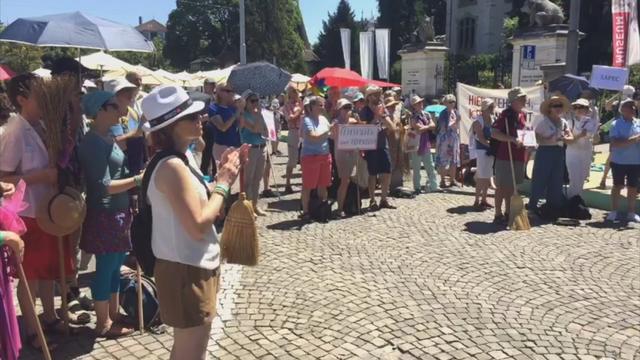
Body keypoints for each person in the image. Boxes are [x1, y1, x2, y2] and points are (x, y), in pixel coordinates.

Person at [141, 85, 244, 360]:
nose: (201, 119)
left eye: (199, 113)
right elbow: (198, 223)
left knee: (188, 348)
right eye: (192, 116)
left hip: (193, 263)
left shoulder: (184, 157)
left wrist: (220, 175)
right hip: (184, 268)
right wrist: (224, 184)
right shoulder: (171, 166)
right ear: (171, 126)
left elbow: (200, 199)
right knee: (191, 352)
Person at [0, 74, 73, 350]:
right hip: (27, 213)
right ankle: (32, 331)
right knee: (30, 274)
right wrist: (42, 176)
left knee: (46, 271)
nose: (45, 99)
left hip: (46, 209)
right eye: (38, 94)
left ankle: (50, 316)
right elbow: (4, 178)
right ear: (21, 99)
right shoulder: (14, 132)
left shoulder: (40, 126)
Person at [79, 91, 142, 337]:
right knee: (105, 267)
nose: (121, 110)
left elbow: (119, 171)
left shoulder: (107, 137)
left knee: (116, 265)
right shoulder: (93, 142)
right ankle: (102, 322)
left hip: (119, 210)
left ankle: (113, 314)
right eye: (115, 106)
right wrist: (137, 179)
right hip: (104, 212)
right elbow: (102, 184)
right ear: (101, 110)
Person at [529, 95, 573, 212]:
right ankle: (533, 206)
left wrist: (565, 138)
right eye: (555, 106)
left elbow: (570, 137)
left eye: (560, 106)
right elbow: (535, 138)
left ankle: (553, 207)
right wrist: (548, 139)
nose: (558, 108)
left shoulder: (563, 122)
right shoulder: (543, 121)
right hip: (545, 152)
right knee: (540, 179)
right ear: (550, 108)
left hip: (558, 152)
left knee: (556, 180)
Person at [491, 87, 528, 225]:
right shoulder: (505, 115)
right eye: (522, 99)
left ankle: (508, 211)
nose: (524, 101)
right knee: (501, 186)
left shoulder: (523, 115)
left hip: (518, 155)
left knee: (512, 186)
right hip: (505, 155)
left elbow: (523, 132)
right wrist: (511, 139)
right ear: (514, 101)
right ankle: (498, 213)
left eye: (524, 98)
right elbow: (494, 133)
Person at [359, 86, 396, 210]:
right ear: (369, 97)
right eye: (375, 94)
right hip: (370, 146)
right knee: (372, 173)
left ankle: (384, 199)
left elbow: (391, 127)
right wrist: (376, 116)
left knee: (387, 171)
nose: (378, 97)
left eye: (379, 94)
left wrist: (383, 116)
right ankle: (372, 200)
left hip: (382, 143)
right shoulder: (364, 111)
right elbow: (363, 129)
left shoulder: (382, 109)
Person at [606, 98, 640, 222]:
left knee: (633, 187)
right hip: (619, 161)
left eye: (633, 106)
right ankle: (614, 211)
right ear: (622, 110)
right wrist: (635, 139)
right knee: (617, 186)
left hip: (636, 161)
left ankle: (631, 212)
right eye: (629, 106)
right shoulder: (616, 124)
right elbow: (615, 143)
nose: (632, 109)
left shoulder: (638, 123)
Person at [299, 96, 333, 220]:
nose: (322, 107)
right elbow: (313, 136)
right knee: (308, 185)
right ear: (312, 107)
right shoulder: (306, 120)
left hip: (324, 155)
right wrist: (328, 130)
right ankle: (306, 211)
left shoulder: (324, 119)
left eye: (323, 105)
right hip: (310, 157)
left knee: (323, 184)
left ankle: (321, 208)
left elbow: (331, 134)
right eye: (320, 105)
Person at [239, 90, 268, 216]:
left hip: (261, 147)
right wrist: (259, 116)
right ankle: (249, 207)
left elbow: (265, 131)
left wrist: (261, 117)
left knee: (258, 179)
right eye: (253, 101)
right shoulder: (243, 116)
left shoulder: (259, 115)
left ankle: (255, 205)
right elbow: (256, 129)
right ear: (246, 103)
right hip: (251, 149)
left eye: (257, 101)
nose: (256, 103)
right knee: (248, 180)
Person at [565, 98, 598, 199]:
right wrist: (580, 135)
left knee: (582, 179)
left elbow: (595, 139)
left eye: (581, 107)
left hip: (586, 153)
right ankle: (571, 201)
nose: (578, 109)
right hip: (572, 153)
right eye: (576, 107)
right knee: (575, 179)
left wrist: (596, 133)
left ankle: (577, 202)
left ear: (587, 109)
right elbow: (567, 140)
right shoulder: (570, 122)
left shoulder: (591, 122)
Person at [331, 98, 359, 218]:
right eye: (345, 108)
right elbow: (334, 135)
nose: (347, 110)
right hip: (341, 153)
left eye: (349, 107)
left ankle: (350, 205)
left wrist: (358, 122)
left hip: (352, 152)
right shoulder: (336, 122)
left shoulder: (353, 121)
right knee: (344, 181)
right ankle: (340, 208)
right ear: (339, 109)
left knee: (351, 180)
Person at [408, 95, 438, 194]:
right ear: (414, 106)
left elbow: (433, 126)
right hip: (416, 144)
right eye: (418, 103)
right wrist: (428, 126)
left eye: (421, 102)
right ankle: (417, 187)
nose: (420, 104)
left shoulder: (426, 114)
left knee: (430, 165)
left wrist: (426, 127)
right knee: (416, 168)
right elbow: (418, 129)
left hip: (426, 143)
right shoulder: (413, 117)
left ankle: (433, 186)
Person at [209, 83, 242, 171]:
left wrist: (241, 109)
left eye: (232, 91)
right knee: (222, 174)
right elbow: (223, 127)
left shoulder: (232, 108)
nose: (231, 93)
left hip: (235, 144)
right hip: (221, 145)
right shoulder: (213, 108)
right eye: (228, 91)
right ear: (219, 92)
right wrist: (236, 114)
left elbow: (241, 125)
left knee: (232, 174)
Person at [472, 98, 496, 209]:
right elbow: (481, 138)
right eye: (490, 107)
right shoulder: (478, 121)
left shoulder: (493, 119)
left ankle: (484, 199)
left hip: (490, 150)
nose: (492, 109)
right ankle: (477, 200)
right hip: (482, 150)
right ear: (485, 109)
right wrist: (492, 146)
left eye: (492, 106)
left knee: (488, 176)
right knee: (482, 176)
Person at [436, 94, 461, 188]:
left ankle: (452, 179)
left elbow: (457, 126)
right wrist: (455, 122)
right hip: (444, 139)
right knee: (443, 159)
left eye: (453, 101)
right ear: (445, 103)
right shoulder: (443, 113)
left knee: (454, 160)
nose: (452, 104)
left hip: (454, 137)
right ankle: (442, 180)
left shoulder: (456, 112)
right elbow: (443, 127)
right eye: (450, 102)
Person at [283, 86, 303, 194]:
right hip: (293, 132)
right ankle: (287, 183)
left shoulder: (301, 104)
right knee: (292, 160)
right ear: (290, 94)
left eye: (297, 92)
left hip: (303, 132)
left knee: (304, 158)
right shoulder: (286, 106)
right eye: (294, 92)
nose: (296, 94)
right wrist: (299, 112)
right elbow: (289, 118)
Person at [200, 78, 217, 177]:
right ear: (205, 85)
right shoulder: (202, 98)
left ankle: (215, 172)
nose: (212, 86)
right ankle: (204, 172)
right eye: (210, 84)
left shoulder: (215, 98)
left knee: (213, 151)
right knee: (206, 151)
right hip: (205, 126)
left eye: (213, 84)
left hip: (214, 126)